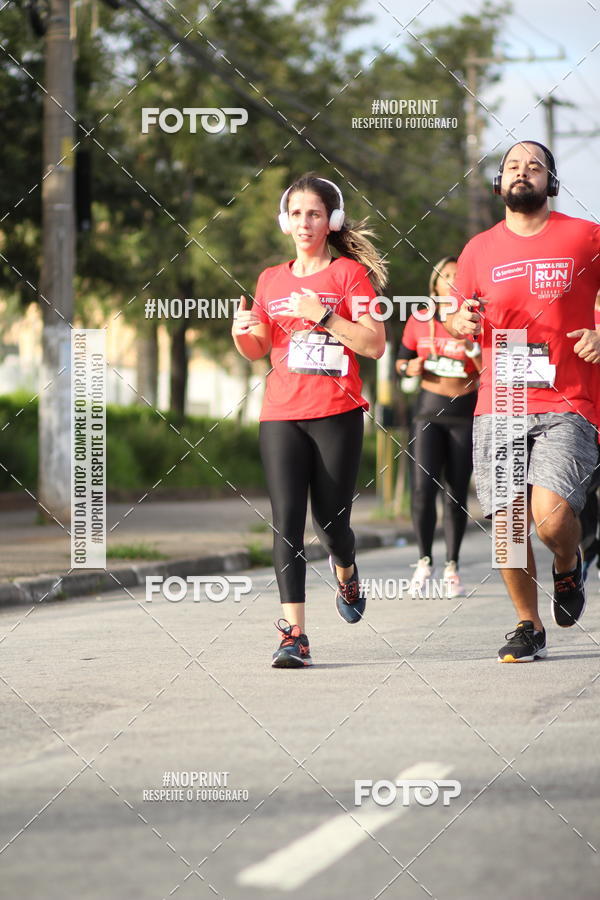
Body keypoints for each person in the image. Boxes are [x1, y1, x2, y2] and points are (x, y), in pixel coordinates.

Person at [445, 140, 600, 662]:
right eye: (513, 166)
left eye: (535, 166)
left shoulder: (584, 237)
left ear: (550, 182)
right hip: (501, 399)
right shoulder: (478, 250)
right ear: (499, 183)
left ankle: (567, 560)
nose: (523, 172)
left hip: (568, 398)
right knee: (510, 523)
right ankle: (528, 625)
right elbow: (456, 311)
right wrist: (458, 321)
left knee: (551, 517)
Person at [231, 173, 387, 668]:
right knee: (286, 525)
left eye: (314, 213)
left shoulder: (349, 276)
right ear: (285, 220)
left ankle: (346, 569)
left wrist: (323, 315)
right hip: (280, 413)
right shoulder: (269, 279)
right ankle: (294, 634)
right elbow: (258, 349)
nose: (304, 222)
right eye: (296, 213)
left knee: (332, 522)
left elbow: (374, 345)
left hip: (336, 413)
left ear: (331, 220)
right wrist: (242, 333)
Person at [396, 257, 482, 599]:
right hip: (428, 414)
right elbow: (401, 362)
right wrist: (410, 367)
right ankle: (424, 560)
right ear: (434, 286)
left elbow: (487, 367)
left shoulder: (474, 320)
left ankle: (453, 566)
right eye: (445, 276)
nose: (451, 280)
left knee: (456, 492)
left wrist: (472, 350)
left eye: (457, 275)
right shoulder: (419, 320)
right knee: (421, 490)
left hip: (464, 413)